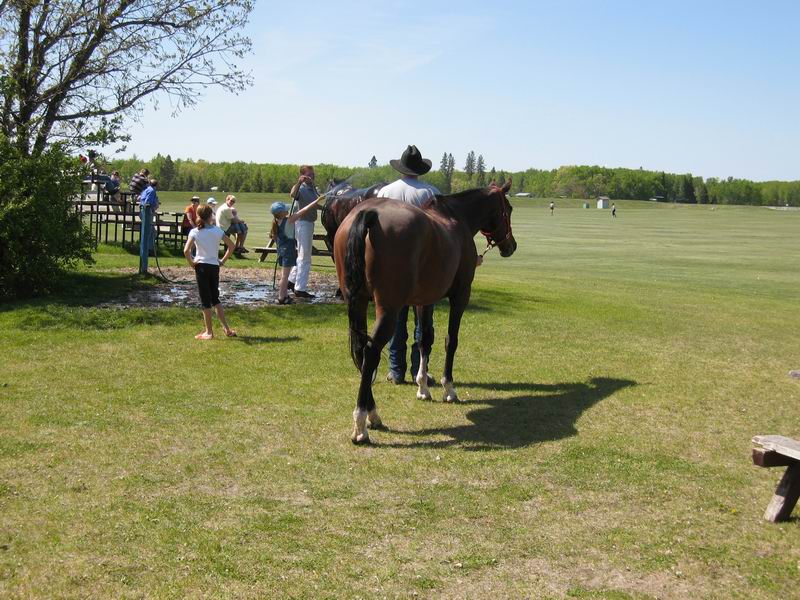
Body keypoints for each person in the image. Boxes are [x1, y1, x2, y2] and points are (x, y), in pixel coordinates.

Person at [377, 145, 440, 385]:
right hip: (423, 266)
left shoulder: (385, 191)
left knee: (394, 319)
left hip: (390, 266)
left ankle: (396, 370)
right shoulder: (431, 193)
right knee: (424, 322)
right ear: (419, 170)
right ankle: (419, 370)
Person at [183, 204, 237, 340]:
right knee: (215, 298)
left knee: (205, 300)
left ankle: (209, 332)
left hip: (201, 266)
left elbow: (186, 251)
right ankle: (226, 328)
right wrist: (222, 261)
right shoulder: (217, 231)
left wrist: (192, 263)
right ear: (211, 216)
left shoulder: (195, 232)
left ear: (198, 216)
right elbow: (231, 246)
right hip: (214, 266)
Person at [270, 198, 325, 305]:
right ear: (280, 213)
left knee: (284, 275)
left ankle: (285, 295)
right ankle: (281, 298)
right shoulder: (288, 220)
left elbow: (275, 238)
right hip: (288, 251)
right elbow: (303, 210)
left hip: (281, 251)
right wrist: (316, 200)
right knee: (285, 276)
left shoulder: (276, 222)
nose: (288, 210)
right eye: (285, 210)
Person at [287, 165, 320, 298]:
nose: (312, 177)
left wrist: (325, 209)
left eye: (313, 175)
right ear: (303, 175)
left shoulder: (312, 189)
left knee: (302, 254)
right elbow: (293, 194)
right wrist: (299, 181)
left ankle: (291, 281)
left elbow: (314, 204)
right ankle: (300, 288)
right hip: (302, 223)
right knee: (304, 257)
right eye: (309, 175)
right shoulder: (300, 188)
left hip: (309, 223)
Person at [138, 178, 159, 269]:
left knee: (149, 232)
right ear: (156, 185)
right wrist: (153, 208)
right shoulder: (152, 191)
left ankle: (146, 249)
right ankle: (148, 250)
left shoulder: (146, 190)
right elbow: (148, 202)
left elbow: (140, 199)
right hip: (147, 213)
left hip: (143, 211)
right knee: (151, 232)